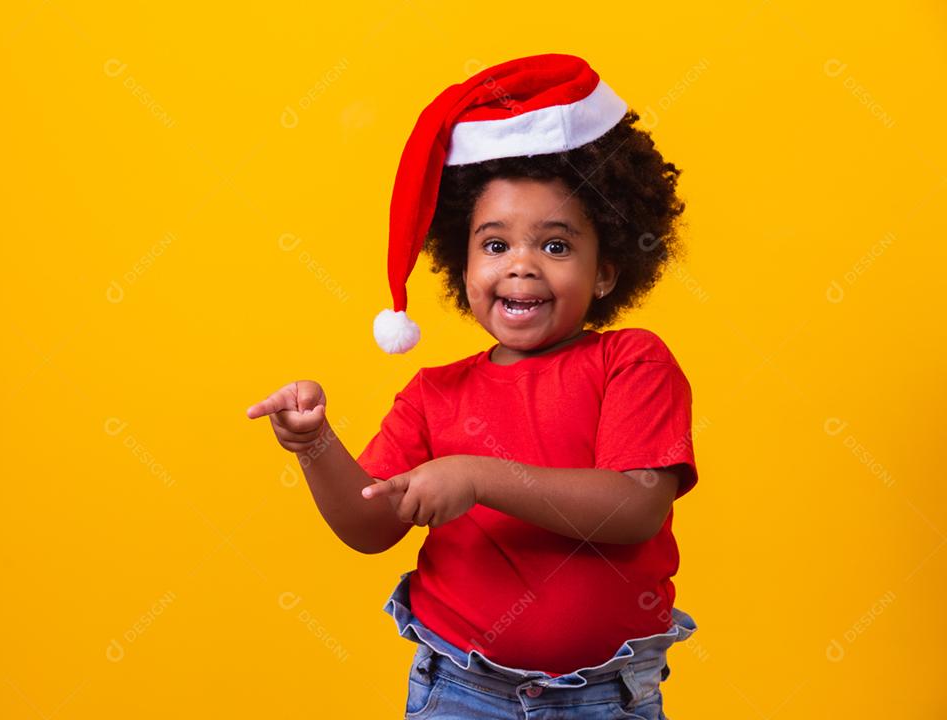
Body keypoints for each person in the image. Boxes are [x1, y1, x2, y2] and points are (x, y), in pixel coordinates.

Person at [246, 53, 699, 719]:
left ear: (606, 271)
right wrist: (314, 445)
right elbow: (371, 523)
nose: (521, 265)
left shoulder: (632, 362)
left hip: (608, 699)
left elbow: (635, 508)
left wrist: (478, 477)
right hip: (461, 692)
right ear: (461, 263)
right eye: (494, 246)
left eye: (555, 246)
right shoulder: (435, 393)